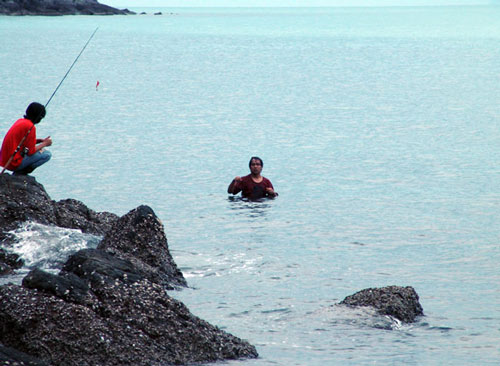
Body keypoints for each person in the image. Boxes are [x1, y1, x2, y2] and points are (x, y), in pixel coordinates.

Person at [0, 102, 52, 175]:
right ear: (38, 117)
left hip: (5, 161)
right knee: (46, 154)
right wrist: (45, 144)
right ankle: (20, 173)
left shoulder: (21, 121)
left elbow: (22, 142)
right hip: (12, 163)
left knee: (41, 151)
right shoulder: (30, 126)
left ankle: (18, 173)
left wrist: (39, 141)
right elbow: (30, 151)